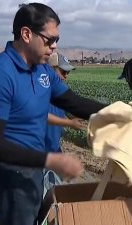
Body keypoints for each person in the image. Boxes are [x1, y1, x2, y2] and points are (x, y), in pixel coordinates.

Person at [0, 3, 106, 225]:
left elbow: (72, 102)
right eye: (49, 39)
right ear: (26, 34)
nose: (54, 47)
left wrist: (120, 112)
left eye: (57, 40)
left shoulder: (42, 71)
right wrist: (51, 159)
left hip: (34, 169)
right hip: (11, 175)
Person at [43, 53, 86, 194]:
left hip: (54, 149)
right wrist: (68, 123)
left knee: (54, 192)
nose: (65, 76)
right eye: (63, 71)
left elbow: (72, 110)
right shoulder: (38, 91)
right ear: (50, 69)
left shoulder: (60, 93)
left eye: (67, 72)